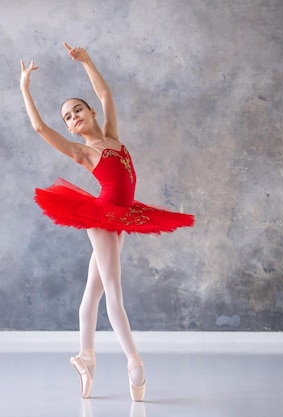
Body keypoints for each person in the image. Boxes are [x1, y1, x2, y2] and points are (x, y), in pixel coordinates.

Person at [19, 43, 194, 401]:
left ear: (92, 113)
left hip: (122, 217)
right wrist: (24, 88)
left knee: (94, 290)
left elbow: (105, 92)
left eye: (77, 110)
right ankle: (134, 362)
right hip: (101, 218)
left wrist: (87, 61)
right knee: (113, 291)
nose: (72, 118)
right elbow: (39, 128)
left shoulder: (112, 136)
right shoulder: (82, 151)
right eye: (67, 117)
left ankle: (86, 356)